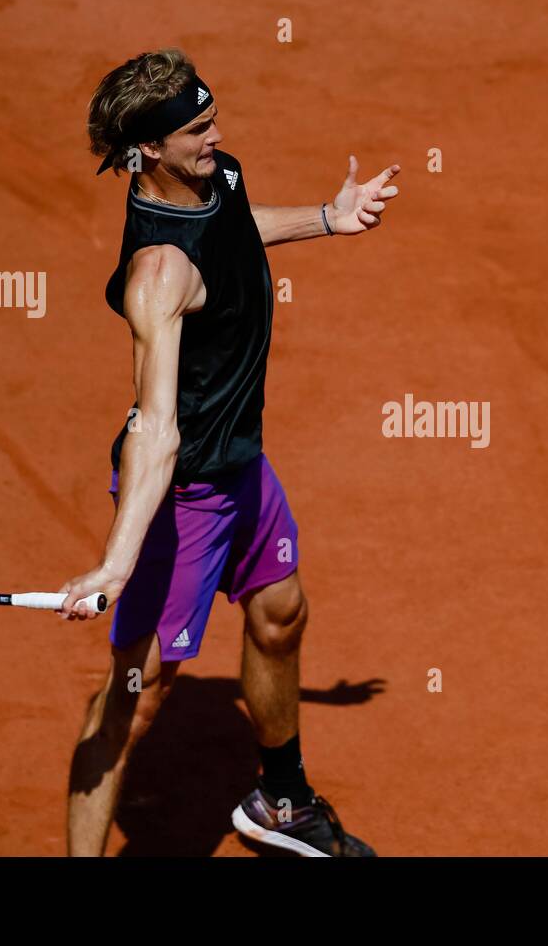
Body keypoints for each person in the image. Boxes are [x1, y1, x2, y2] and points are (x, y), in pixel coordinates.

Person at [59, 47, 399, 857]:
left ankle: (280, 802)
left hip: (241, 462)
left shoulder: (217, 179)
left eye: (213, 118)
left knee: (280, 614)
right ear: (149, 148)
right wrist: (115, 563)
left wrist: (326, 216)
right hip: (186, 497)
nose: (218, 135)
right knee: (133, 702)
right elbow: (154, 425)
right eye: (199, 129)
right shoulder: (159, 273)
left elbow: (237, 232)